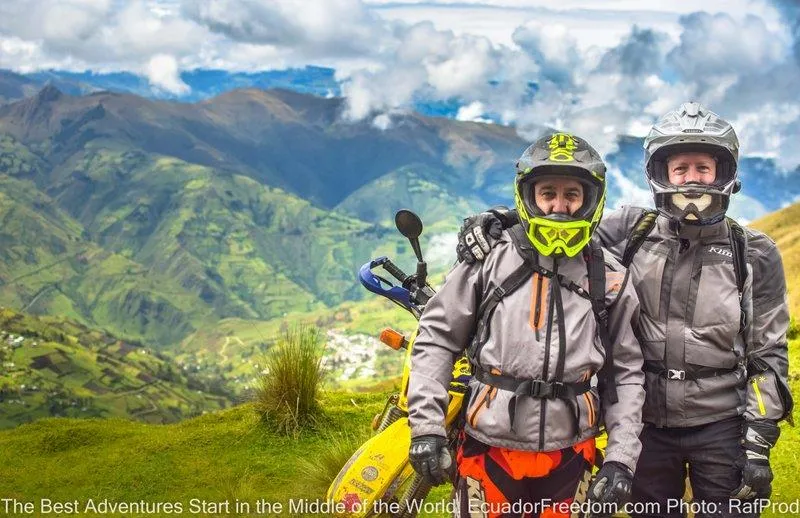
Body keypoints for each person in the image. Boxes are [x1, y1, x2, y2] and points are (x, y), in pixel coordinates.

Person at [455, 103, 793, 517]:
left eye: (702, 168)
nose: (691, 179)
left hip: (722, 423)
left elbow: (768, 351)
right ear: (661, 174)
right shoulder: (632, 230)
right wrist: (497, 219)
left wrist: (758, 443)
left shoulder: (752, 253)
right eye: (680, 168)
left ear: (724, 173)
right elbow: (565, 222)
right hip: (645, 421)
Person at [407, 132, 645, 518]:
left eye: (572, 194)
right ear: (528, 196)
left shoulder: (609, 276)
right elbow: (437, 339)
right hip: (490, 447)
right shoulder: (486, 260)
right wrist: (427, 428)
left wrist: (620, 457)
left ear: (591, 199)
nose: (559, 206)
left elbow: (627, 372)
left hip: (571, 451)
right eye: (547, 192)